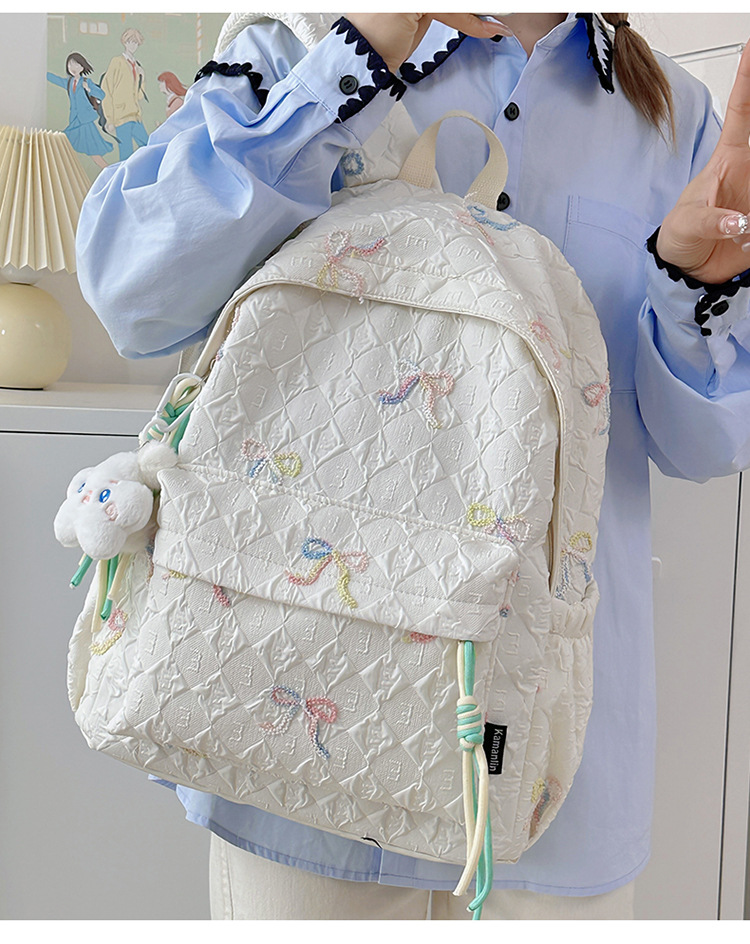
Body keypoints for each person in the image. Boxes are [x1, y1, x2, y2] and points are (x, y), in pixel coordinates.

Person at [75, 12, 750, 920]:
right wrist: (354, 58)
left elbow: (700, 444)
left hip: (550, 761)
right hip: (289, 727)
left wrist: (696, 283)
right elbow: (131, 293)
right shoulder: (300, 40)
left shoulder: (674, 113)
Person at [47, 52, 113, 170]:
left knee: (92, 151)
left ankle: (109, 170)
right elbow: (55, 79)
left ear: (82, 67)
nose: (73, 68)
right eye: (70, 65)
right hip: (75, 120)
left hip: (85, 121)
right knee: (65, 142)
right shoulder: (69, 82)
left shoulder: (87, 82)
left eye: (76, 65)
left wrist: (88, 88)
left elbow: (101, 95)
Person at [100, 27, 148, 162]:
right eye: (130, 42)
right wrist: (109, 119)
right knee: (126, 153)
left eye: (135, 43)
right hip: (120, 116)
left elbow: (139, 96)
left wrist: (142, 77)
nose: (133, 45)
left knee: (147, 145)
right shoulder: (117, 62)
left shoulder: (136, 65)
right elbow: (106, 90)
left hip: (135, 115)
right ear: (124, 42)